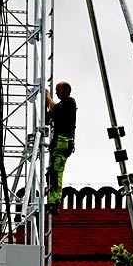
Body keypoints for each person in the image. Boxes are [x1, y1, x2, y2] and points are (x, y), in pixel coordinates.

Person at [45, 81, 77, 211]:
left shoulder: (70, 103)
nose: (57, 93)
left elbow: (55, 109)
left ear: (66, 90)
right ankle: (52, 199)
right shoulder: (62, 105)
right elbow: (51, 115)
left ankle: (55, 201)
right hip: (59, 142)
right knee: (52, 173)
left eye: (58, 90)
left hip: (63, 142)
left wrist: (47, 97)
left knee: (56, 173)